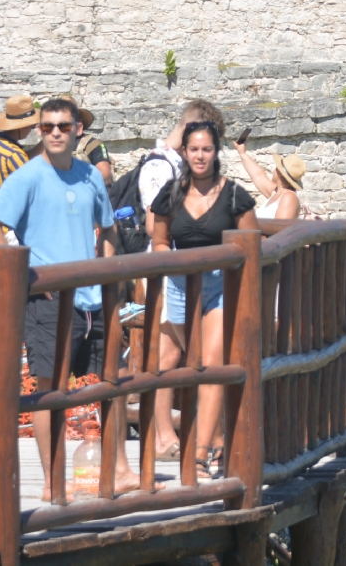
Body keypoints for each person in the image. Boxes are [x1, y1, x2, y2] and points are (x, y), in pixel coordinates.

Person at [0, 97, 138, 499]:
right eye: (47, 127)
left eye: (63, 126)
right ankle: (52, 480)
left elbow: (108, 229)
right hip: (48, 300)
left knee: (111, 384)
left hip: (92, 298)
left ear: (78, 129)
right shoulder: (29, 176)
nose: (55, 133)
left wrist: (108, 273)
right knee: (51, 390)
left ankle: (120, 470)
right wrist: (26, 274)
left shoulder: (89, 176)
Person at [151, 118, 258, 479]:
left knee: (211, 364)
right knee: (192, 361)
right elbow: (160, 238)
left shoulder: (234, 195)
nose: (200, 156)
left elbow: (252, 243)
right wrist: (167, 258)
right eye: (194, 149)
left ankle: (198, 454)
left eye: (207, 149)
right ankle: (217, 439)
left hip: (220, 284)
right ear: (184, 151)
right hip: (180, 286)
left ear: (216, 152)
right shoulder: (171, 193)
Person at [136, 98, 222, 462]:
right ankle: (162, 433)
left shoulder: (178, 166)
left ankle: (187, 434)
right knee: (171, 353)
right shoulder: (160, 169)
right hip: (168, 275)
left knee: (176, 352)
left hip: (190, 277)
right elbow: (154, 225)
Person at [235, 135, 304, 221]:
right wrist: (242, 153)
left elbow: (280, 230)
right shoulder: (276, 192)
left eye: (276, 168)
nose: (273, 170)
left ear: (281, 174)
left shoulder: (289, 198)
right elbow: (258, 175)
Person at [0, 94, 37, 191]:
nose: (31, 130)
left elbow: (24, 156)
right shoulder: (14, 154)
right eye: (32, 126)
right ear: (22, 127)